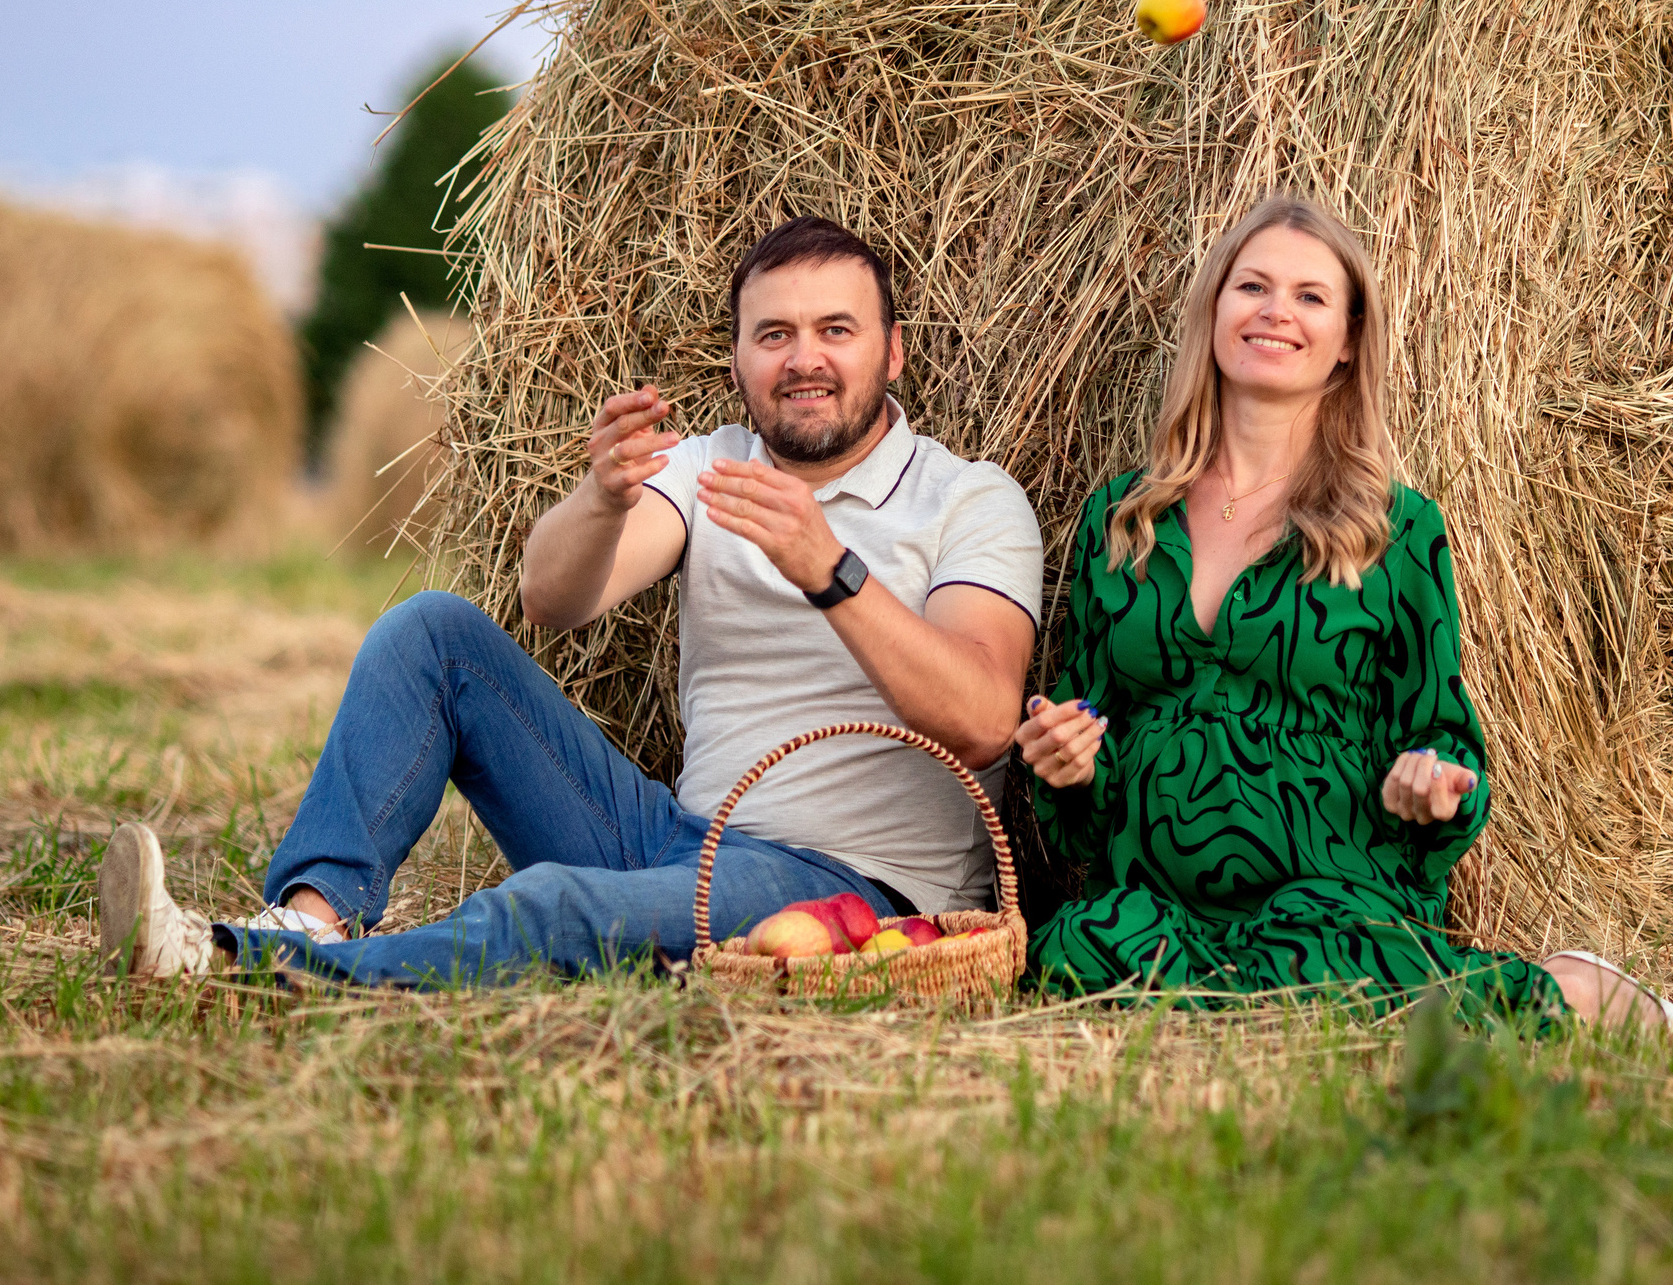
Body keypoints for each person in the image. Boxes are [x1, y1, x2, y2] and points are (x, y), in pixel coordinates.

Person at [98, 216, 1044, 986]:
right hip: (679, 839)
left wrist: (827, 567)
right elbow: (551, 599)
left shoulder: (967, 500)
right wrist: (602, 497)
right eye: (774, 334)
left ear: (895, 353)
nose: (805, 359)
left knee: (553, 907)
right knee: (435, 635)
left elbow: (980, 718)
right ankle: (310, 917)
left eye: (837, 330)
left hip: (847, 886)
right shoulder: (711, 465)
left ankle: (240, 966)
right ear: (738, 362)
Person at [1013, 196, 1673, 1039]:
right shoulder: (1123, 518)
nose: (1275, 311)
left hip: (1328, 887)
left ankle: (1575, 990)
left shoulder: (1397, 530)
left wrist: (1437, 785)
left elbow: (1446, 742)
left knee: (1316, 977)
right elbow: (1085, 743)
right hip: (1155, 895)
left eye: (1310, 296)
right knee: (1071, 958)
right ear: (1215, 313)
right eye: (1252, 286)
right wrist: (1066, 760)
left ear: (1345, 343)